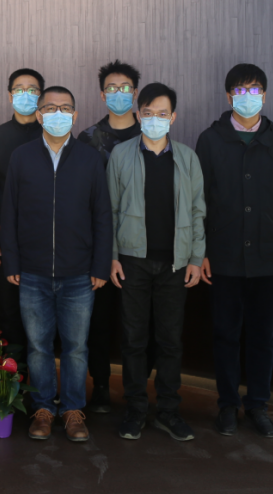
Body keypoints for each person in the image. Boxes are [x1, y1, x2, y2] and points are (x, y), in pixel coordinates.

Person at [195, 64, 273, 439]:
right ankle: (227, 405)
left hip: (269, 257)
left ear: (265, 95)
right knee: (225, 334)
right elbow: (198, 201)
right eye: (240, 90)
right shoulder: (210, 140)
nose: (247, 96)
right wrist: (200, 251)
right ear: (229, 96)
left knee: (262, 337)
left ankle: (258, 404)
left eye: (254, 89)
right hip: (222, 256)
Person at [0, 86, 112, 443]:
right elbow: (9, 212)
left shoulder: (90, 159)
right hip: (31, 272)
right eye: (50, 108)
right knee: (38, 347)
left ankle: (74, 410)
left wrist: (100, 266)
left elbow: (102, 215)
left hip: (79, 273)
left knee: (77, 348)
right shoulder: (21, 157)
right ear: (39, 115)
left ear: (75, 116)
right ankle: (44, 408)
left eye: (65, 108)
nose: (57, 114)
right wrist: (11, 261)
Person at [107, 83, 205, 443]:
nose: (154, 119)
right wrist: (112, 257)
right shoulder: (121, 155)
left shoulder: (187, 158)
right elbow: (109, 210)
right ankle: (135, 409)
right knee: (134, 340)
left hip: (175, 264)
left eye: (162, 114)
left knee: (169, 341)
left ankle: (168, 411)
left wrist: (196, 258)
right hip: (132, 261)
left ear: (173, 117)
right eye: (147, 113)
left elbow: (197, 211)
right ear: (138, 115)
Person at [76, 61, 141, 413]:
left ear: (135, 93)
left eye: (125, 87)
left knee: (137, 324)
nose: (119, 94)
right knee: (98, 322)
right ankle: (100, 386)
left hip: (140, 247)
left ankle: (136, 392)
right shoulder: (88, 139)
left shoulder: (151, 133)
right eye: (112, 88)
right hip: (98, 246)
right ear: (102, 95)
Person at [0, 68, 44, 371]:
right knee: (11, 313)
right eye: (19, 89)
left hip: (46, 241)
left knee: (43, 314)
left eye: (33, 89)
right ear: (9, 96)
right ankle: (14, 381)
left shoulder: (52, 134)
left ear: (41, 96)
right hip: (7, 243)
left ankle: (42, 385)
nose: (26, 95)